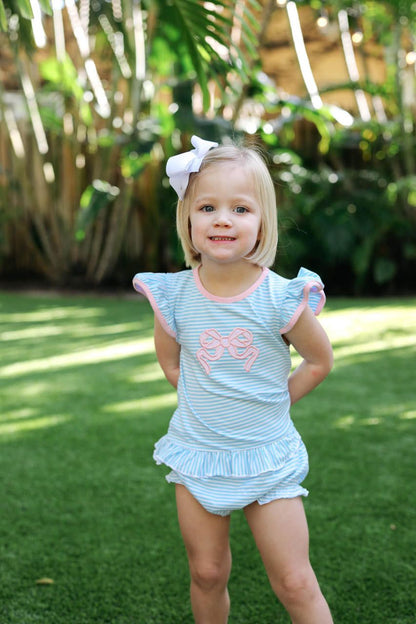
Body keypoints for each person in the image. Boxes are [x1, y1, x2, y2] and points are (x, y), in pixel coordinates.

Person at [133, 135, 334, 623]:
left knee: (294, 580)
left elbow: (319, 361)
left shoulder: (282, 298)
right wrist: (206, 409)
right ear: (188, 218)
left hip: (267, 457)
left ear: (262, 220)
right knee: (205, 572)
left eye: (241, 209)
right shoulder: (173, 296)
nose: (223, 219)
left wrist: (273, 404)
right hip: (198, 455)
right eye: (207, 206)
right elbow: (173, 365)